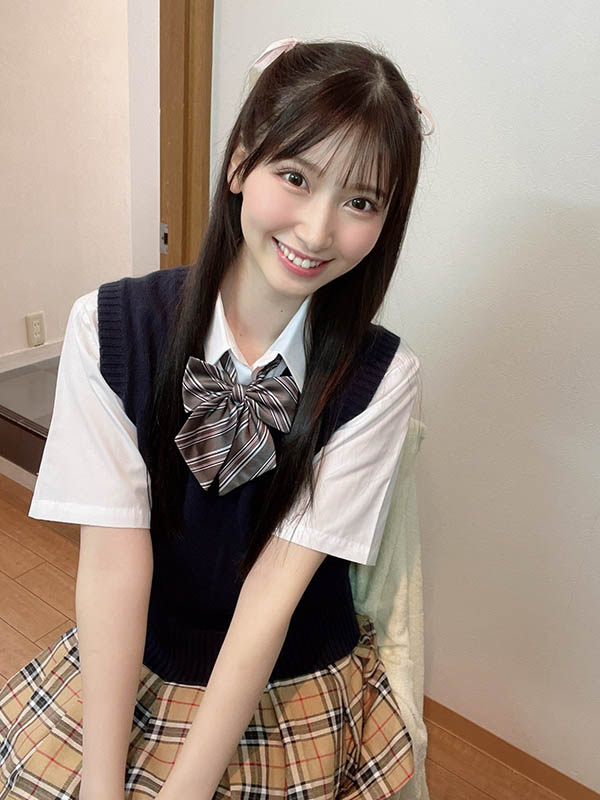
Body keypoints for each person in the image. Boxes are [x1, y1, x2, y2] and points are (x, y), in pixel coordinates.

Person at [0, 36, 431, 800]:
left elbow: (273, 597)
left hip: (291, 669)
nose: (317, 231)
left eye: (360, 202)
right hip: (141, 655)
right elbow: (113, 568)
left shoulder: (381, 378)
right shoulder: (110, 328)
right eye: (295, 177)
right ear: (239, 164)